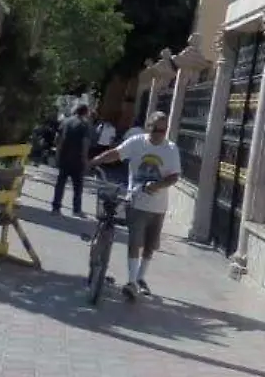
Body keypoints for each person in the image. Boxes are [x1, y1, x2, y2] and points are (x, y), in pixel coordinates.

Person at [90, 111, 181, 301]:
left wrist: (157, 185)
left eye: (163, 130)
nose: (159, 134)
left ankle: (140, 278)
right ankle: (131, 281)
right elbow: (116, 153)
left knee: (150, 246)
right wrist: (97, 160)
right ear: (148, 127)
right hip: (137, 202)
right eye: (155, 129)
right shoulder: (137, 142)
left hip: (158, 206)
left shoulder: (171, 149)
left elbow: (174, 176)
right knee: (135, 242)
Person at [52, 105, 93, 216]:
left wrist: (57, 155)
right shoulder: (85, 125)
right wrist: (85, 160)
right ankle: (76, 210)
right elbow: (85, 143)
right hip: (77, 159)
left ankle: (56, 207)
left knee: (60, 183)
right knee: (78, 186)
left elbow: (58, 140)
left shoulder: (65, 122)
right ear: (85, 112)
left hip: (64, 157)